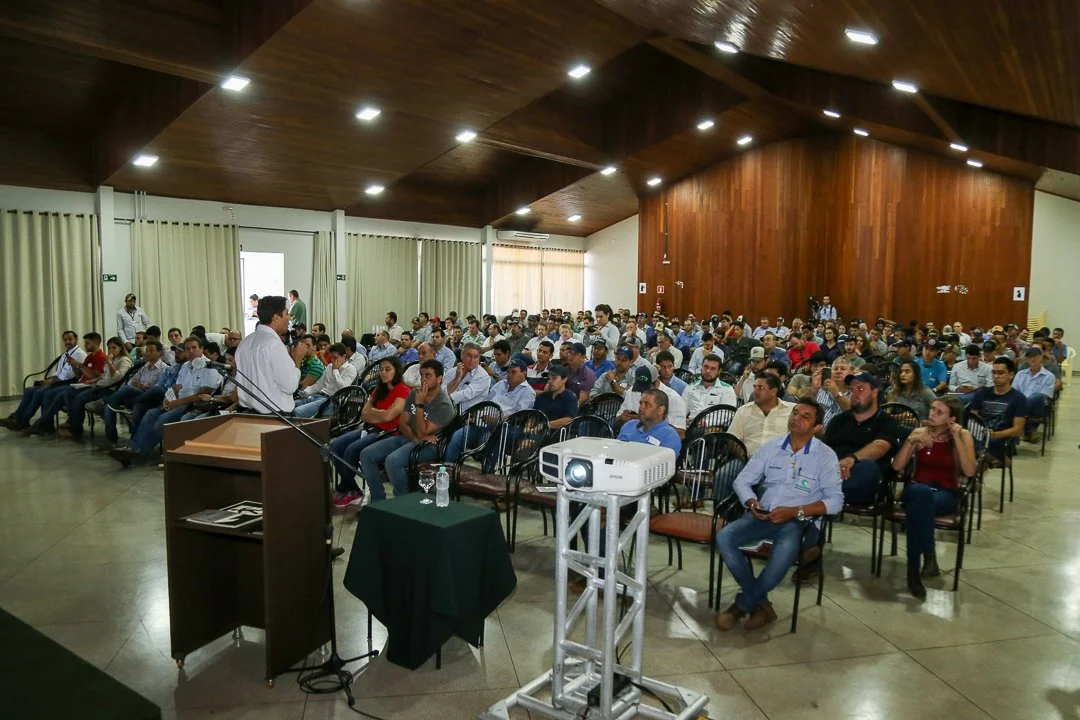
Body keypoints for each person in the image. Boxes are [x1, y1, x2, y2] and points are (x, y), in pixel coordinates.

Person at [714, 397, 842, 631]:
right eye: (795, 413)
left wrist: (795, 511)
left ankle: (741, 606)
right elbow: (743, 480)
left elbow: (835, 502)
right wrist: (750, 501)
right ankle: (761, 604)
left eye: (805, 417)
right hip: (764, 513)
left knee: (782, 554)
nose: (796, 418)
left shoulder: (825, 456)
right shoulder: (772, 447)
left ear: (817, 427)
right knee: (724, 538)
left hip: (799, 521)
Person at [890, 396, 977, 599]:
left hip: (945, 493)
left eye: (939, 412)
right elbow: (897, 466)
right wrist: (911, 441)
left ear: (952, 419)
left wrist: (956, 439)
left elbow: (969, 471)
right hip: (916, 489)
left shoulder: (963, 435)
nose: (932, 414)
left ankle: (914, 569)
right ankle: (927, 557)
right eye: (932, 409)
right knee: (920, 493)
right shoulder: (920, 433)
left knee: (917, 509)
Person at [108, 336, 223, 466]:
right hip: (178, 401)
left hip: (194, 404)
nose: (191, 351)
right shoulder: (186, 366)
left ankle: (138, 453)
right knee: (150, 413)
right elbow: (176, 387)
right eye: (187, 348)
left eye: (194, 348)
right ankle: (132, 447)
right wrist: (167, 399)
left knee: (162, 419)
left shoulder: (210, 367)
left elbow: (202, 395)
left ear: (201, 349)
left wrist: (177, 403)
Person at [357, 359, 455, 500]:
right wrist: (415, 438)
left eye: (428, 376)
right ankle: (378, 499)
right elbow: (403, 424)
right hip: (410, 437)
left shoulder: (444, 405)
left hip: (431, 445)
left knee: (392, 461)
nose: (423, 379)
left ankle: (402, 501)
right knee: (366, 454)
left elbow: (423, 431)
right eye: (422, 375)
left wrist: (419, 405)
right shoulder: (414, 394)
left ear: (439, 379)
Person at [330, 357, 411, 508]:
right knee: (336, 446)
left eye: (388, 369)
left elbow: (390, 416)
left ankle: (358, 491)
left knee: (351, 450)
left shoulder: (403, 390)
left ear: (396, 371)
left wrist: (375, 412)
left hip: (388, 432)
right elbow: (363, 414)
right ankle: (351, 487)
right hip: (370, 428)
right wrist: (380, 413)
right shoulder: (379, 389)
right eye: (381, 369)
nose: (383, 373)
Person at [822, 372, 901, 505]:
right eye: (852, 390)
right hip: (835, 473)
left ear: (874, 392)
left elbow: (880, 446)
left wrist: (852, 459)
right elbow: (824, 449)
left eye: (860, 389)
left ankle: (822, 493)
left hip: (865, 481)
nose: (854, 394)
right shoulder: (839, 420)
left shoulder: (886, 422)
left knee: (868, 467)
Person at [23, 332, 108, 435]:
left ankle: (44, 424)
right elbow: (78, 376)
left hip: (89, 386)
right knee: (48, 394)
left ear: (96, 343)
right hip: (79, 384)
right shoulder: (89, 357)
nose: (85, 345)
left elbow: (94, 377)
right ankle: (44, 424)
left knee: (58, 394)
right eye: (85, 343)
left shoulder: (102, 357)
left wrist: (80, 365)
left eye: (87, 343)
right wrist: (74, 365)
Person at [2, 330, 86, 430]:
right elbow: (59, 372)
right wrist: (50, 379)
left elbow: (71, 375)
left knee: (40, 392)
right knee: (29, 390)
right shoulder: (65, 354)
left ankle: (24, 421)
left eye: (70, 339)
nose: (67, 342)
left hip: (68, 383)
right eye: (65, 340)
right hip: (58, 381)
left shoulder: (79, 354)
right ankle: (17, 417)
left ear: (76, 340)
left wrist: (52, 381)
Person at [54, 336, 134, 441]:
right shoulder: (112, 359)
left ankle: (75, 430)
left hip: (110, 389)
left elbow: (117, 377)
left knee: (80, 398)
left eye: (114, 348)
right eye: (109, 348)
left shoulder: (124, 360)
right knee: (71, 392)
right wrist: (92, 381)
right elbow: (103, 375)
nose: (111, 350)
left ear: (120, 348)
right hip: (100, 385)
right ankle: (72, 423)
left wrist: (109, 363)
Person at [234, 295, 302, 414]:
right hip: (275, 416)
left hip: (248, 414)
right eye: (286, 313)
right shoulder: (274, 344)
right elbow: (290, 386)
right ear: (276, 317)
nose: (289, 317)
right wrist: (297, 360)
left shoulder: (245, 342)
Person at [726, 374, 795, 456]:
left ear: (773, 391)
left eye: (761, 388)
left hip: (781, 460)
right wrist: (745, 457)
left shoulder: (792, 411)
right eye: (754, 387)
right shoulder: (743, 410)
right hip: (747, 458)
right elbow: (732, 439)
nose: (755, 391)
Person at [293, 342, 359, 418]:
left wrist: (335, 370)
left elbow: (343, 389)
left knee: (298, 411)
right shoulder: (330, 366)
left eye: (335, 358)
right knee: (291, 405)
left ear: (343, 356)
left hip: (332, 401)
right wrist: (307, 391)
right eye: (331, 357)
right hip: (319, 396)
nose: (332, 360)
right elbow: (319, 384)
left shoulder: (350, 369)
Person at [618, 364, 687, 435]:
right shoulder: (632, 391)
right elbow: (617, 420)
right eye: (639, 388)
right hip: (631, 436)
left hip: (658, 440)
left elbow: (681, 434)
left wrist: (647, 421)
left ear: (657, 383)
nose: (643, 392)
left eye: (646, 389)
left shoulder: (674, 398)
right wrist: (622, 418)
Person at [1012, 346, 1056, 443]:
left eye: (1035, 356)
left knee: (1037, 397)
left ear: (1041, 357)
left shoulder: (1049, 376)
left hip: (1039, 406)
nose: (1032, 359)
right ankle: (1029, 430)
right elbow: (1014, 392)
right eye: (1029, 357)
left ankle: (1018, 426)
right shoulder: (1020, 374)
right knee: (1015, 400)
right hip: (1021, 405)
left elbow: (1045, 396)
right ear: (1026, 359)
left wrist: (1023, 403)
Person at [617, 389, 682, 453]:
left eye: (647, 404)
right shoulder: (629, 426)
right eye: (640, 403)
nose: (640, 408)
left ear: (660, 410)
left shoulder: (669, 437)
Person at [682, 354, 737, 422]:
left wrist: (706, 423)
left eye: (713, 369)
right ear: (701, 367)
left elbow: (727, 414)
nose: (708, 371)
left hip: (716, 426)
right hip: (691, 425)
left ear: (719, 371)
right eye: (706, 367)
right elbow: (682, 410)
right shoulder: (690, 387)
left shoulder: (727, 389)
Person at [446, 343, 493, 412]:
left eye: (476, 357)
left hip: (467, 415)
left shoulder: (483, 377)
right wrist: (457, 378)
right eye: (469, 356)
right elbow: (442, 390)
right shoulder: (452, 372)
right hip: (447, 409)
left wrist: (444, 399)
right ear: (462, 355)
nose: (472, 360)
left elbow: (465, 395)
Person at [533, 364, 579, 430]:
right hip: (538, 432)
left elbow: (568, 420)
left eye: (554, 378)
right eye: (549, 378)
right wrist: (528, 426)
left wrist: (545, 424)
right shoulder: (542, 397)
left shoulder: (571, 398)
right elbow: (534, 415)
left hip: (560, 433)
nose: (550, 381)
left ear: (564, 379)